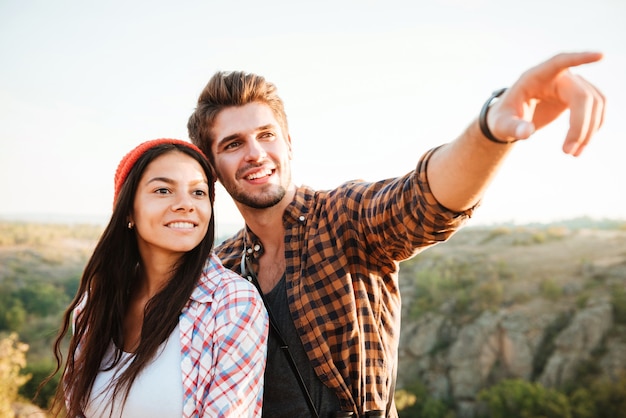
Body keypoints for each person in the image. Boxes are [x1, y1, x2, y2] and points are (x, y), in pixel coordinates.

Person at [186, 51, 605, 418]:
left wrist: (491, 130)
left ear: (288, 143)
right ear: (212, 167)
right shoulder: (219, 271)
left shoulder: (342, 216)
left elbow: (422, 199)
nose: (255, 153)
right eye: (233, 144)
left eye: (265, 135)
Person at [45, 138, 269, 418]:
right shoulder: (95, 304)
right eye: (163, 190)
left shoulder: (232, 304)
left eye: (199, 193)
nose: (186, 204)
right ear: (128, 210)